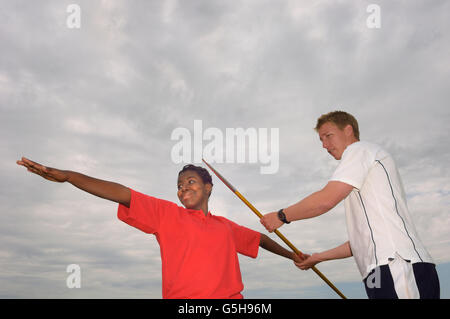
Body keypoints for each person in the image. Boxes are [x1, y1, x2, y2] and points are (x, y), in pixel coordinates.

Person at [17, 158, 303, 299]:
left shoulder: (225, 227)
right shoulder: (167, 215)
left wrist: (292, 256)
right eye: (179, 185)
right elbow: (120, 192)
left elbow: (261, 240)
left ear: (208, 187)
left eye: (190, 182)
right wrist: (68, 176)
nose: (182, 189)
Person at [260, 111, 440, 299]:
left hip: (398, 264)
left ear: (348, 130)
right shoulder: (362, 182)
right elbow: (359, 243)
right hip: (378, 270)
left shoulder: (359, 150)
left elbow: (326, 200)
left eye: (328, 136)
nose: (324, 145)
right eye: (321, 140)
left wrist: (281, 216)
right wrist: (317, 258)